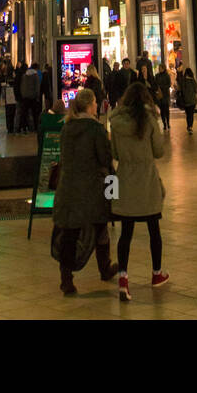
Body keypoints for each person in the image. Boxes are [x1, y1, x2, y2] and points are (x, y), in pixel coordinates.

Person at [52, 88, 117, 295]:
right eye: (96, 102)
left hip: (69, 186)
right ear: (90, 105)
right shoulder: (95, 129)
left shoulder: (67, 127)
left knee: (70, 232)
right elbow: (105, 159)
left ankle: (66, 279)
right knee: (100, 227)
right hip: (93, 187)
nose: (97, 105)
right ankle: (104, 267)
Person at [110, 82, 169, 300]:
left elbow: (114, 153)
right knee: (154, 228)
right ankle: (156, 274)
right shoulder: (150, 121)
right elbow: (159, 151)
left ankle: (123, 277)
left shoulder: (116, 123)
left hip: (125, 179)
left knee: (126, 232)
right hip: (147, 179)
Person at [21, 60, 41, 132]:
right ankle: (35, 128)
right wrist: (38, 96)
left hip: (25, 96)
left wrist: (23, 94)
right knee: (35, 113)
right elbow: (37, 87)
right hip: (33, 97)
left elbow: (22, 86)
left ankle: (24, 128)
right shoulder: (35, 76)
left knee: (25, 113)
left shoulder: (24, 75)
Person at [180, 67, 197, 133]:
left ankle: (189, 126)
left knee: (188, 114)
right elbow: (196, 90)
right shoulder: (193, 81)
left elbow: (182, 90)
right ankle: (190, 126)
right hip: (192, 100)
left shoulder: (183, 81)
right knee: (191, 114)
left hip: (186, 100)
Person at [155, 62, 172, 131]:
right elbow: (155, 84)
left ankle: (168, 122)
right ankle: (164, 124)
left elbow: (169, 84)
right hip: (160, 95)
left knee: (166, 109)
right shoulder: (157, 76)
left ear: (163, 68)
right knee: (162, 109)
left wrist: (162, 87)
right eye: (159, 68)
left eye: (160, 68)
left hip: (165, 94)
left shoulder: (167, 75)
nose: (159, 69)